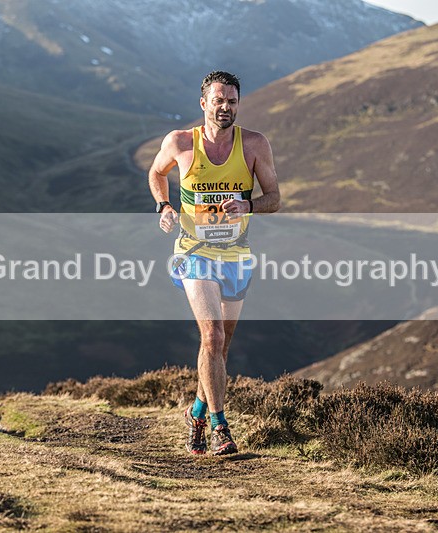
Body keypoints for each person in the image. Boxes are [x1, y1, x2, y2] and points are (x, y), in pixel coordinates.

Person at [148, 71, 281, 456]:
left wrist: (248, 204)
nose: (225, 108)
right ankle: (220, 426)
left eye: (232, 102)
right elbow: (157, 173)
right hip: (193, 253)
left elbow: (274, 197)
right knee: (212, 337)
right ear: (203, 103)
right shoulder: (180, 142)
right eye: (218, 100)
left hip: (236, 255)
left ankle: (196, 411)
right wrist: (165, 204)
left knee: (221, 349)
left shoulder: (254, 144)